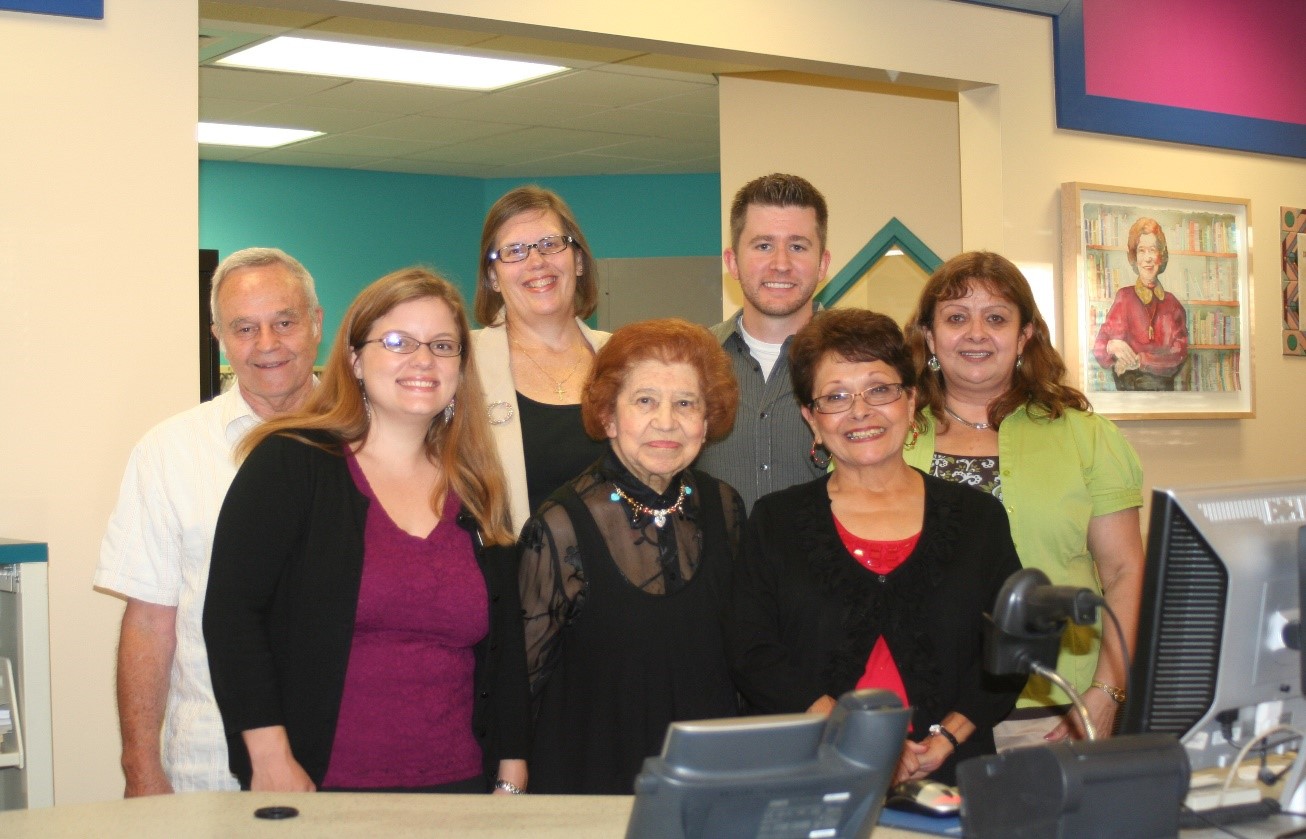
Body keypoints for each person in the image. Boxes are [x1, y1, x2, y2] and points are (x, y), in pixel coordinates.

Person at [202, 267, 529, 795]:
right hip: (319, 790)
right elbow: (232, 617)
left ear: (461, 368)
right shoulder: (290, 464)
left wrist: (511, 777)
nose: (423, 360)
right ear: (354, 359)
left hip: (461, 792)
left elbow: (507, 650)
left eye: (442, 345)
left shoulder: (477, 488)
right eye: (398, 341)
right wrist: (268, 757)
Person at [728, 308, 1024, 786]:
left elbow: (1010, 649)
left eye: (880, 389)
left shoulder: (977, 519)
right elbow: (753, 652)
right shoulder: (775, 521)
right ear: (811, 417)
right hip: (815, 774)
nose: (860, 411)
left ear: (910, 401)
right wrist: (856, 736)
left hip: (954, 776)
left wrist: (947, 737)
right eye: (836, 396)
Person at [94, 247, 323, 796]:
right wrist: (140, 767)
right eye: (244, 328)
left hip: (352, 752)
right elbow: (149, 622)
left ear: (316, 323)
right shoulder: (171, 452)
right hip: (209, 763)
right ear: (217, 334)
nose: (266, 345)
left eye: (283, 322)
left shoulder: (376, 439)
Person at [904, 251, 1145, 745]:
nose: (975, 333)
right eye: (955, 318)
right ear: (929, 336)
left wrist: (1106, 693)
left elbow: (1124, 572)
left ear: (1025, 335)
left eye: (995, 318)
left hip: (1055, 713)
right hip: (919, 715)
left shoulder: (1085, 437)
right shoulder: (890, 437)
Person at [518, 318, 743, 794]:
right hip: (593, 779)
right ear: (608, 416)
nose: (667, 421)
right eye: (645, 401)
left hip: (707, 778)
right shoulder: (559, 525)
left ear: (706, 420)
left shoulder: (725, 506)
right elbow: (524, 680)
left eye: (686, 403)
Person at [472, 186, 611, 533]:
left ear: (577, 261)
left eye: (550, 244)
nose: (537, 262)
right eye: (514, 251)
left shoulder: (624, 358)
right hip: (510, 579)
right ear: (493, 277)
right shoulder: (461, 366)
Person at [696, 173, 832, 511]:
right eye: (763, 246)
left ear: (822, 265)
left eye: (798, 246)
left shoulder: (864, 366)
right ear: (732, 262)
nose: (781, 264)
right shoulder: (692, 360)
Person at [1092, 217, 1189, 390]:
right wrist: (1111, 345)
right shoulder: (1124, 297)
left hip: (1164, 397)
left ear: (1161, 255)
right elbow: (1098, 349)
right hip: (1127, 396)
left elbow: (1179, 355)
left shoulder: (1172, 304)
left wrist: (1141, 361)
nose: (1148, 258)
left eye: (1153, 250)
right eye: (1141, 251)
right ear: (1134, 257)